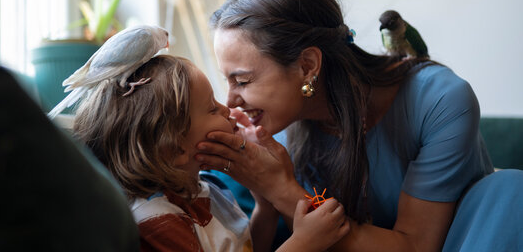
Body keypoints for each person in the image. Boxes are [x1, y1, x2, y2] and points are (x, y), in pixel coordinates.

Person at [195, 0, 523, 251]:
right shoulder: (276, 131)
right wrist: (267, 197)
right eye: (227, 81)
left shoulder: (438, 101)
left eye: (242, 80)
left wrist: (282, 190)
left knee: (510, 190)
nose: (231, 100)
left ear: (307, 65)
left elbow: (415, 246)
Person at [72, 53, 349, 252]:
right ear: (176, 148)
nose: (228, 109)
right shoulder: (158, 223)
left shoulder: (205, 189)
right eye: (212, 108)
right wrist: (303, 243)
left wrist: (264, 208)